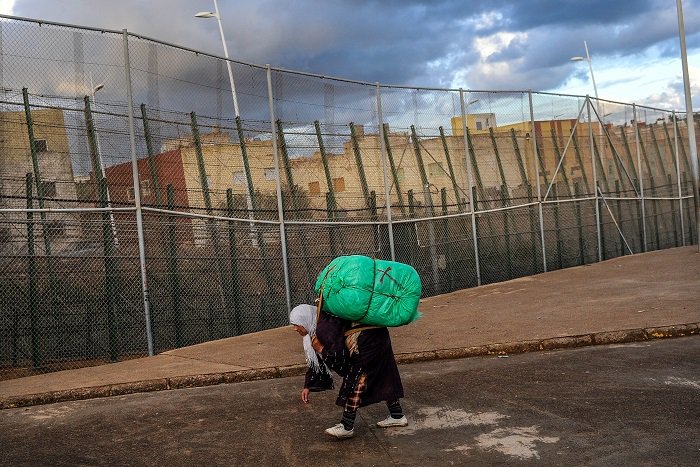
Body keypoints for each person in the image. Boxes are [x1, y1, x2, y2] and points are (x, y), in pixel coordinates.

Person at [289, 303, 407, 439]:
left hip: (368, 341)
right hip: (377, 335)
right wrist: (308, 385)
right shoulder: (318, 324)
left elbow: (339, 357)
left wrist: (321, 349)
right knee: (383, 375)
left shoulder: (324, 329)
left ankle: (347, 426)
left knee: (356, 379)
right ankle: (397, 415)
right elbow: (318, 360)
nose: (294, 328)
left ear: (305, 320)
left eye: (297, 324)